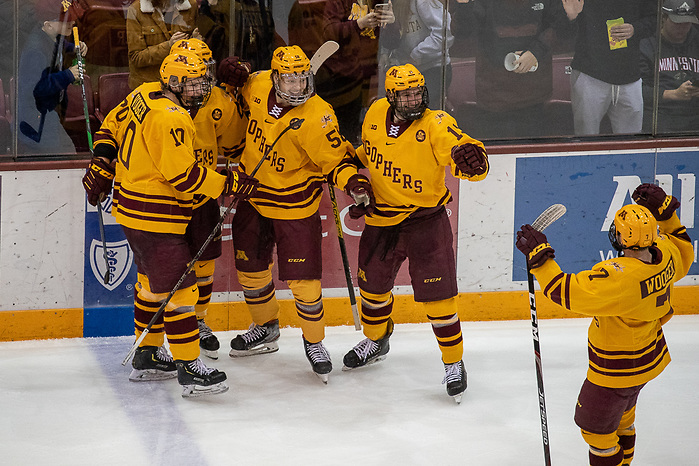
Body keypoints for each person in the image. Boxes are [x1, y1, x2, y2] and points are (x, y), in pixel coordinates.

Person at [82, 50, 259, 397]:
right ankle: (190, 367)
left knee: (150, 284)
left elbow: (110, 127)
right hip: (155, 214)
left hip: (132, 208)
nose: (202, 87)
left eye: (202, 79)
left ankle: (147, 354)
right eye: (193, 83)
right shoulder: (172, 117)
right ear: (174, 83)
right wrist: (229, 184)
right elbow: (185, 177)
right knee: (181, 291)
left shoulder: (143, 94)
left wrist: (102, 160)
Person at [338, 63, 489, 402]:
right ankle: (377, 341)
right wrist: (352, 173)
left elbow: (459, 146)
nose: (412, 99)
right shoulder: (376, 112)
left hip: (425, 222)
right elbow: (368, 153)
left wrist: (474, 159)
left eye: (417, 91)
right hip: (381, 220)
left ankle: (454, 363)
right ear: (391, 96)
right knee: (373, 292)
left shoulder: (436, 123)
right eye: (404, 94)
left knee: (440, 303)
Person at [515, 183, 693, 466]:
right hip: (648, 358)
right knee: (623, 421)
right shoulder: (665, 254)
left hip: (615, 370)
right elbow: (685, 249)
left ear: (621, 239)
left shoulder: (620, 279)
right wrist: (667, 215)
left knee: (597, 433)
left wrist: (539, 258)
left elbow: (565, 292)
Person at [228, 45, 358, 384]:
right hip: (253, 198)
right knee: (250, 268)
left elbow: (337, 162)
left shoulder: (319, 114)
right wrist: (233, 71)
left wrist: (353, 182)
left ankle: (314, 342)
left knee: (304, 282)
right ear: (275, 79)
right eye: (289, 80)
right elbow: (239, 81)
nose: (298, 87)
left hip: (295, 208)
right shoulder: (257, 86)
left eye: (303, 79)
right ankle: (266, 327)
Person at [451, 0, 571, 139]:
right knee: (494, 150)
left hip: (534, 96)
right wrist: (464, 5)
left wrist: (536, 52)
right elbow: (463, 33)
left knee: (531, 151)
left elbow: (561, 28)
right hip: (493, 95)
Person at [563, 0, 657, 135]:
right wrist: (570, 17)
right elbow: (562, 33)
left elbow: (655, 19)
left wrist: (635, 29)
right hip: (590, 72)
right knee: (586, 140)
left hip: (629, 73)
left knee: (631, 143)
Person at [17, 0, 87, 155]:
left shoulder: (52, 37)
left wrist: (73, 48)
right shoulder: (34, 51)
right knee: (66, 155)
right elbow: (35, 90)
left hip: (50, 119)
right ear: (48, 25)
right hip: (36, 128)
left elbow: (59, 47)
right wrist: (68, 75)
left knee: (69, 150)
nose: (72, 23)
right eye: (66, 21)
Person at [321, 0, 395, 145]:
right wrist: (358, 24)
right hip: (341, 79)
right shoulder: (337, 2)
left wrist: (391, 23)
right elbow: (328, 34)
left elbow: (392, 43)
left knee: (369, 133)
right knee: (343, 134)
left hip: (370, 77)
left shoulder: (378, 2)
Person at [379, 0, 453, 108]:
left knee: (416, 113)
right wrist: (385, 53)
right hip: (404, 73)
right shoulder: (388, 2)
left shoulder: (422, 2)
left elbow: (446, 33)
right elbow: (391, 34)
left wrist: (416, 55)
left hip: (432, 70)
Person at [640, 0, 699, 133]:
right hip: (661, 115)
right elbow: (636, 91)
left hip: (695, 114)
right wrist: (672, 94)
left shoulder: (697, 42)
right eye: (677, 23)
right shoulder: (647, 46)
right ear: (663, 18)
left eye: (687, 23)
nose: (682, 28)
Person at [126, 0, 201, 90]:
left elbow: (198, 52)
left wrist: (196, 43)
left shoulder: (190, 6)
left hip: (184, 85)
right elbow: (136, 57)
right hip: (149, 86)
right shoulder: (136, 10)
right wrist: (169, 46)